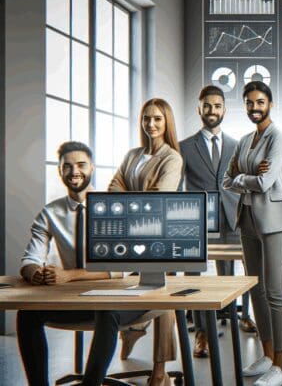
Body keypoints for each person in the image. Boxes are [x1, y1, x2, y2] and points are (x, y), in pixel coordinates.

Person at [16, 141, 140, 386]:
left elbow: (121, 268)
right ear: (60, 171)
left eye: (81, 165)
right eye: (67, 166)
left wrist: (69, 275)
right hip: (78, 300)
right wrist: (35, 274)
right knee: (27, 313)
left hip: (123, 300)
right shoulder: (51, 213)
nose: (75, 172)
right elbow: (30, 258)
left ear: (92, 167)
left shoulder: (115, 207)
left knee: (108, 310)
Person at [223, 80, 282, 386]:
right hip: (248, 219)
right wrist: (246, 176)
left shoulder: (279, 138)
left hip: (274, 219)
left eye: (260, 102)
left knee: (275, 292)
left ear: (270, 104)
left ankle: (279, 365)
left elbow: (265, 184)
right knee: (256, 289)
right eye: (250, 103)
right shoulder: (243, 140)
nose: (255, 107)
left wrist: (243, 175)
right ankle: (266, 355)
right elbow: (226, 180)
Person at [108, 97, 183, 385]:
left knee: (161, 301)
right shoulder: (132, 155)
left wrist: (131, 198)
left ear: (166, 123)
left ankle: (160, 370)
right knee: (128, 288)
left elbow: (159, 200)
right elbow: (113, 187)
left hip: (158, 238)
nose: (151, 124)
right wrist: (141, 199)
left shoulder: (172, 158)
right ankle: (131, 332)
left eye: (157, 119)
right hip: (128, 236)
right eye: (146, 118)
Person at [179, 85, 243, 357]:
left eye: (217, 106)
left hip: (231, 217)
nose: (212, 110)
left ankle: (229, 317)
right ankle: (203, 332)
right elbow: (175, 185)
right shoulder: (183, 147)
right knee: (196, 276)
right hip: (199, 219)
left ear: (224, 110)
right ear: (199, 109)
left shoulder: (236, 145)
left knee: (227, 275)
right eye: (208, 106)